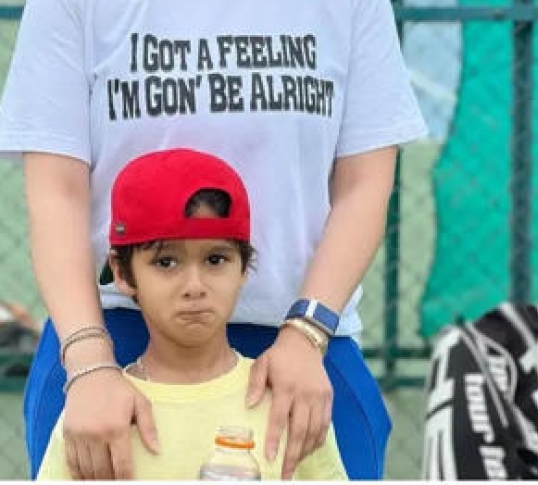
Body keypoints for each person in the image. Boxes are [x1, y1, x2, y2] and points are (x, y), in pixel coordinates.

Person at [0, 0, 428, 480]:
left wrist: (308, 334)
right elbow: (57, 190)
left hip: (296, 350)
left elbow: (366, 180)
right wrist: (89, 362)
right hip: (119, 344)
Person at [38, 148, 347, 480]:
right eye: (166, 262)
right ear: (123, 274)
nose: (195, 286)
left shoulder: (286, 402)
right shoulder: (98, 415)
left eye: (215, 260)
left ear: (244, 267)